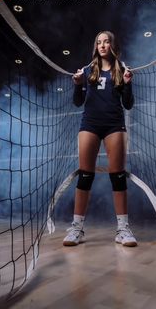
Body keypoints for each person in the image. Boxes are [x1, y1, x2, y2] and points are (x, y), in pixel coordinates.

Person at [63, 30, 137, 247]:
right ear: (95, 46)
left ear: (113, 45)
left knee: (118, 176)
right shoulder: (87, 71)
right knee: (85, 175)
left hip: (115, 124)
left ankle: (123, 229)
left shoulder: (122, 70)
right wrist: (77, 84)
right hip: (90, 124)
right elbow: (78, 102)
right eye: (99, 42)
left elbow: (128, 104)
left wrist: (127, 82)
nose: (102, 45)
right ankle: (77, 228)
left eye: (106, 42)